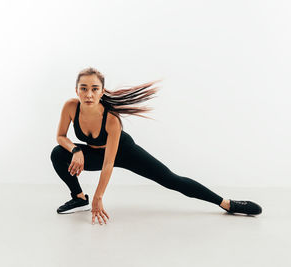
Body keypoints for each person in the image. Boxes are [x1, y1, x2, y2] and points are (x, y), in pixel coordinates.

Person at [50, 67, 262, 225]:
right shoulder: (70, 106)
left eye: (94, 89)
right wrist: (76, 150)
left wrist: (98, 197)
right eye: (84, 88)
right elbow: (61, 136)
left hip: (124, 152)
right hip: (93, 153)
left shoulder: (112, 120)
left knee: (170, 179)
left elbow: (108, 164)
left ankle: (226, 203)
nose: (88, 94)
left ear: (102, 91)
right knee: (58, 153)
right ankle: (79, 198)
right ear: (76, 90)